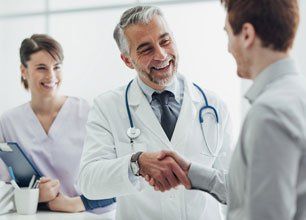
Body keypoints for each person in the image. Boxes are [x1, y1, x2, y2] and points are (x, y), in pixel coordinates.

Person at [147, 0, 306, 220]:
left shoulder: (270, 113)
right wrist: (190, 172)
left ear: (247, 35)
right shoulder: (297, 94)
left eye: (228, 34)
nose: (228, 47)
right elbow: (254, 192)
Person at [78, 5, 233, 220]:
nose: (161, 55)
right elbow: (88, 182)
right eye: (145, 49)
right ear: (127, 60)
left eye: (165, 41)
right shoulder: (107, 107)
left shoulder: (214, 106)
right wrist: (136, 164)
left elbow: (233, 187)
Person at [0, 34, 115, 213]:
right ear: (24, 71)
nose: (51, 76)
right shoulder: (8, 122)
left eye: (56, 67)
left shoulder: (86, 112)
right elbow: (4, 188)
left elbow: (119, 179)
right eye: (41, 68)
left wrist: (78, 203)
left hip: (89, 215)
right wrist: (35, 194)